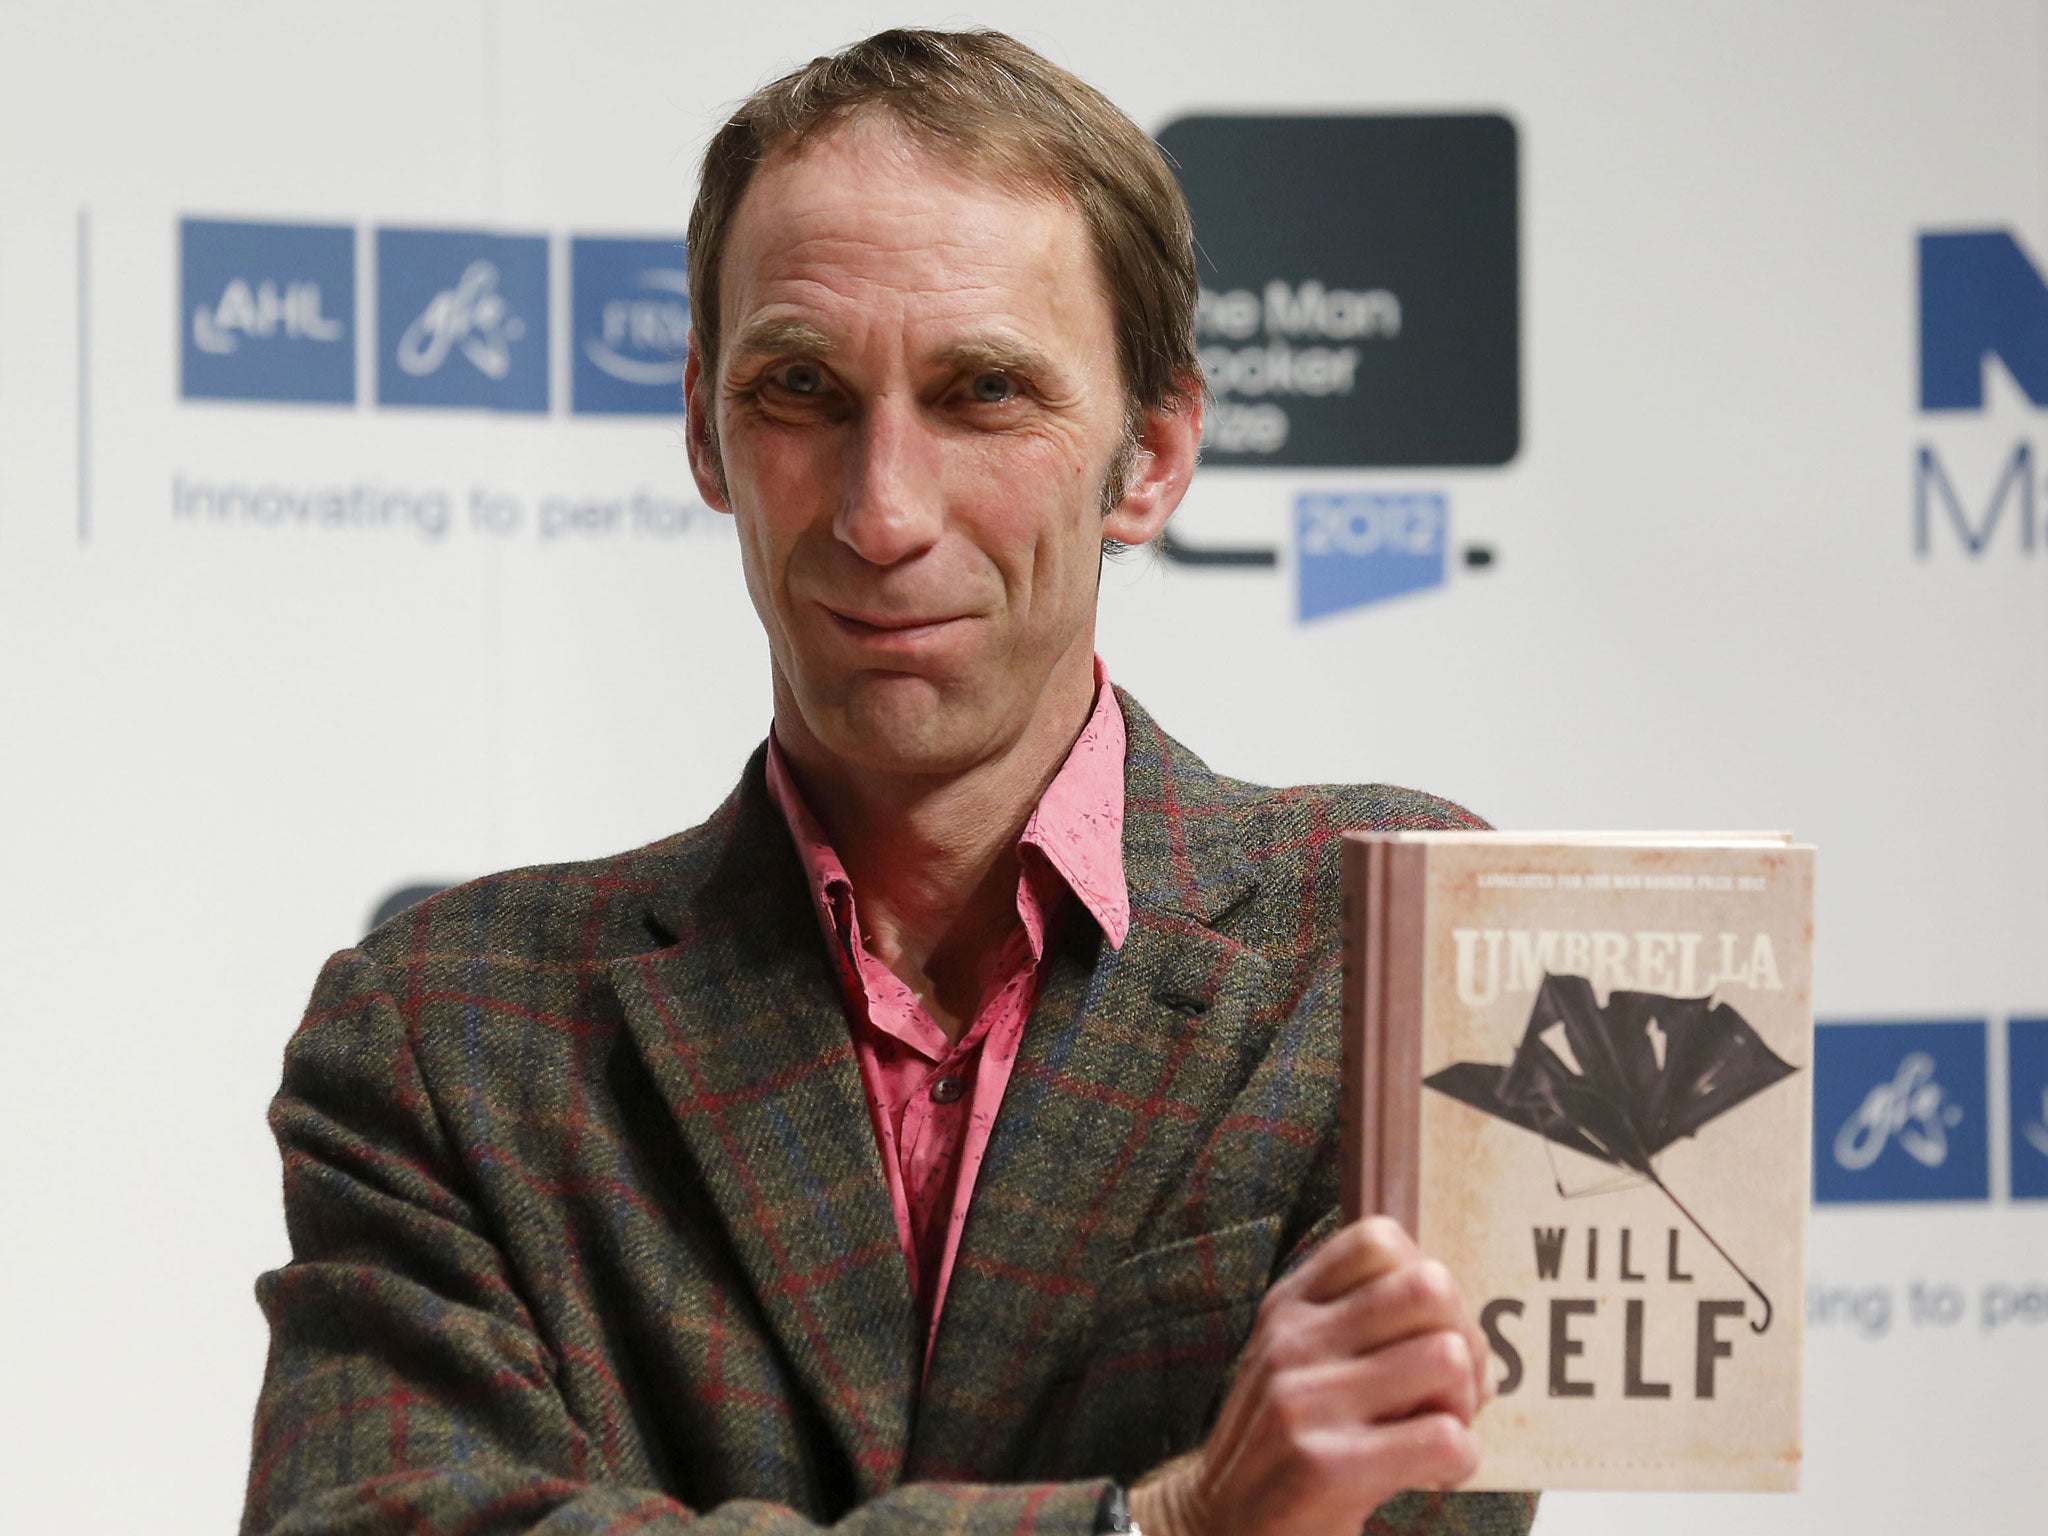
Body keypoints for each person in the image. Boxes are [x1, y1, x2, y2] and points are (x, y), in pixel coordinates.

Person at [241, 28, 1534, 1536]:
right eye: (801, 389)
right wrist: (1166, 1524)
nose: (883, 510)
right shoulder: (442, 1028)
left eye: (985, 392)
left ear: (1154, 455)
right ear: (704, 431)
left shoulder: (1394, 932)